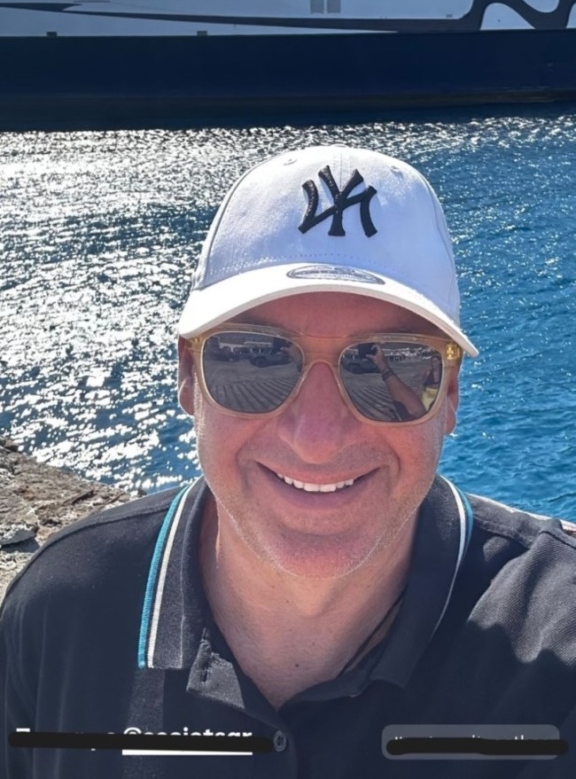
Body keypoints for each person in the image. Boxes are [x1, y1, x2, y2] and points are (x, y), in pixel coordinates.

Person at [1, 144, 575, 779]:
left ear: (451, 396)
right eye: (255, 358)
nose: (317, 438)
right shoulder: (62, 613)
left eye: (391, 363)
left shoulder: (560, 639)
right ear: (188, 377)